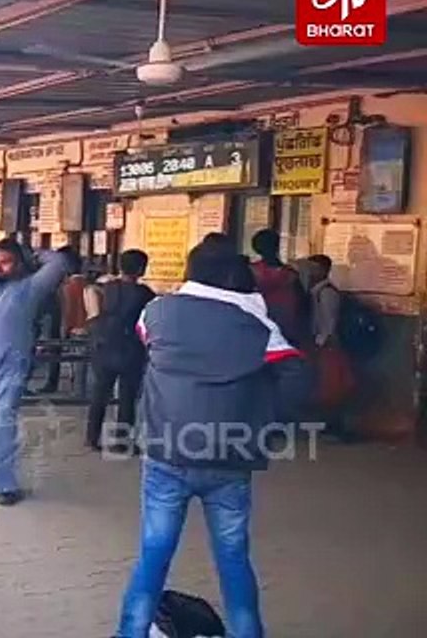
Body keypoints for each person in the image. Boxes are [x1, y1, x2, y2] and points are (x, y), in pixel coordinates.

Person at [113, 240, 312, 638]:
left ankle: (129, 634)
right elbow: (298, 375)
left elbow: (145, 340)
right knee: (233, 558)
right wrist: (266, 420)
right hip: (230, 459)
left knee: (153, 555)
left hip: (166, 453)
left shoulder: (156, 311)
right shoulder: (256, 324)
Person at [0, 239, 69, 507]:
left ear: (20, 265)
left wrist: (30, 252)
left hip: (11, 368)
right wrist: (4, 252)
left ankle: (7, 485)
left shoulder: (30, 288)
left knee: (3, 424)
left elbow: (59, 262)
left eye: (5, 262)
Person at [85, 249, 155, 453]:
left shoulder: (108, 288)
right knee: (127, 397)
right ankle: (122, 442)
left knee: (100, 393)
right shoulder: (144, 294)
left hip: (104, 346)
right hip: (130, 349)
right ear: (141, 269)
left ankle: (91, 437)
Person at [305, 254, 355, 439]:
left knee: (331, 386)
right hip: (322, 343)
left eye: (314, 268)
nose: (310, 271)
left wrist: (321, 341)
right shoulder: (316, 291)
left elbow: (329, 321)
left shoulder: (327, 293)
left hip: (327, 345)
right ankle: (329, 423)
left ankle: (336, 424)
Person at [249, 228, 310, 348]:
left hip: (259, 326)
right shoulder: (291, 274)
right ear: (277, 246)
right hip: (287, 330)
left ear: (256, 247)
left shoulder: (251, 272)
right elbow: (302, 304)